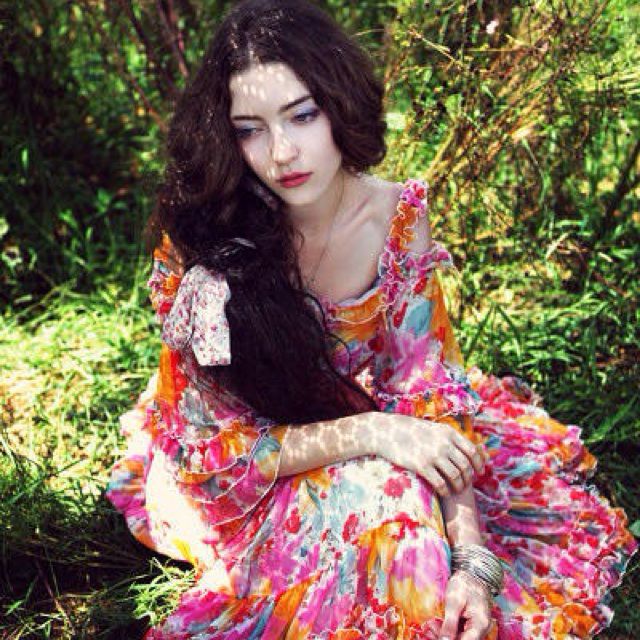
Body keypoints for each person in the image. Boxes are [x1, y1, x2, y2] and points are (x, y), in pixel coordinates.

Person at [106, 0, 637, 638]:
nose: (282, 153)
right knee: (404, 531)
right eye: (250, 130)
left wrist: (472, 561)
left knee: (423, 535)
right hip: (244, 481)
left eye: (302, 115)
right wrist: (377, 431)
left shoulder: (395, 221)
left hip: (362, 429)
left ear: (340, 103)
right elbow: (216, 453)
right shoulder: (206, 241)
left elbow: (428, 395)